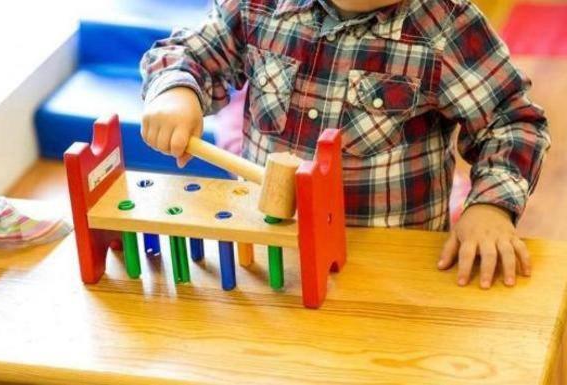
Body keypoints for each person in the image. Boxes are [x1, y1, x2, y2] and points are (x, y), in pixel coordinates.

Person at [139, 0, 550, 289]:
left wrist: (490, 206)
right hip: (269, 261)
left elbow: (511, 120)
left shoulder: (446, 24)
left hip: (388, 273)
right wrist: (176, 91)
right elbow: (188, 53)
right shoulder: (255, 7)